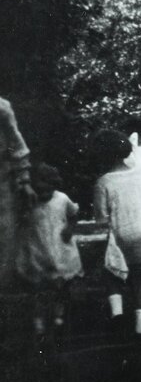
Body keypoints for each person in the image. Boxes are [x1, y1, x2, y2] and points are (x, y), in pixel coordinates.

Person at [92, 129, 141, 338]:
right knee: (140, 280)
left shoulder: (104, 182)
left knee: (112, 275)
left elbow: (102, 217)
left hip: (120, 236)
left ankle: (118, 317)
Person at [15, 163, 83, 339]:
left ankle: (59, 316)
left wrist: (70, 228)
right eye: (40, 191)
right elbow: (21, 220)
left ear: (55, 185)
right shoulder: (30, 201)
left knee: (62, 283)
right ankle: (38, 321)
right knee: (38, 286)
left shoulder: (62, 199)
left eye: (48, 190)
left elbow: (73, 213)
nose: (44, 195)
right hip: (37, 247)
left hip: (59, 247)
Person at [0, 97, 35, 289]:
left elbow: (17, 146)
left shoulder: (2, 108)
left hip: (2, 181)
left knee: (4, 233)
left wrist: (24, 180)